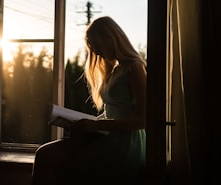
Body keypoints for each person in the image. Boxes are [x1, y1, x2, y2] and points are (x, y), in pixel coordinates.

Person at [31, 16, 147, 185]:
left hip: (124, 144)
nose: (96, 52)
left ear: (110, 38)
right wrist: (84, 125)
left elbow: (141, 121)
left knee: (55, 163)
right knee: (44, 153)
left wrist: (96, 126)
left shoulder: (135, 68)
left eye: (96, 45)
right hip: (108, 135)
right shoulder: (117, 69)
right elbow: (111, 112)